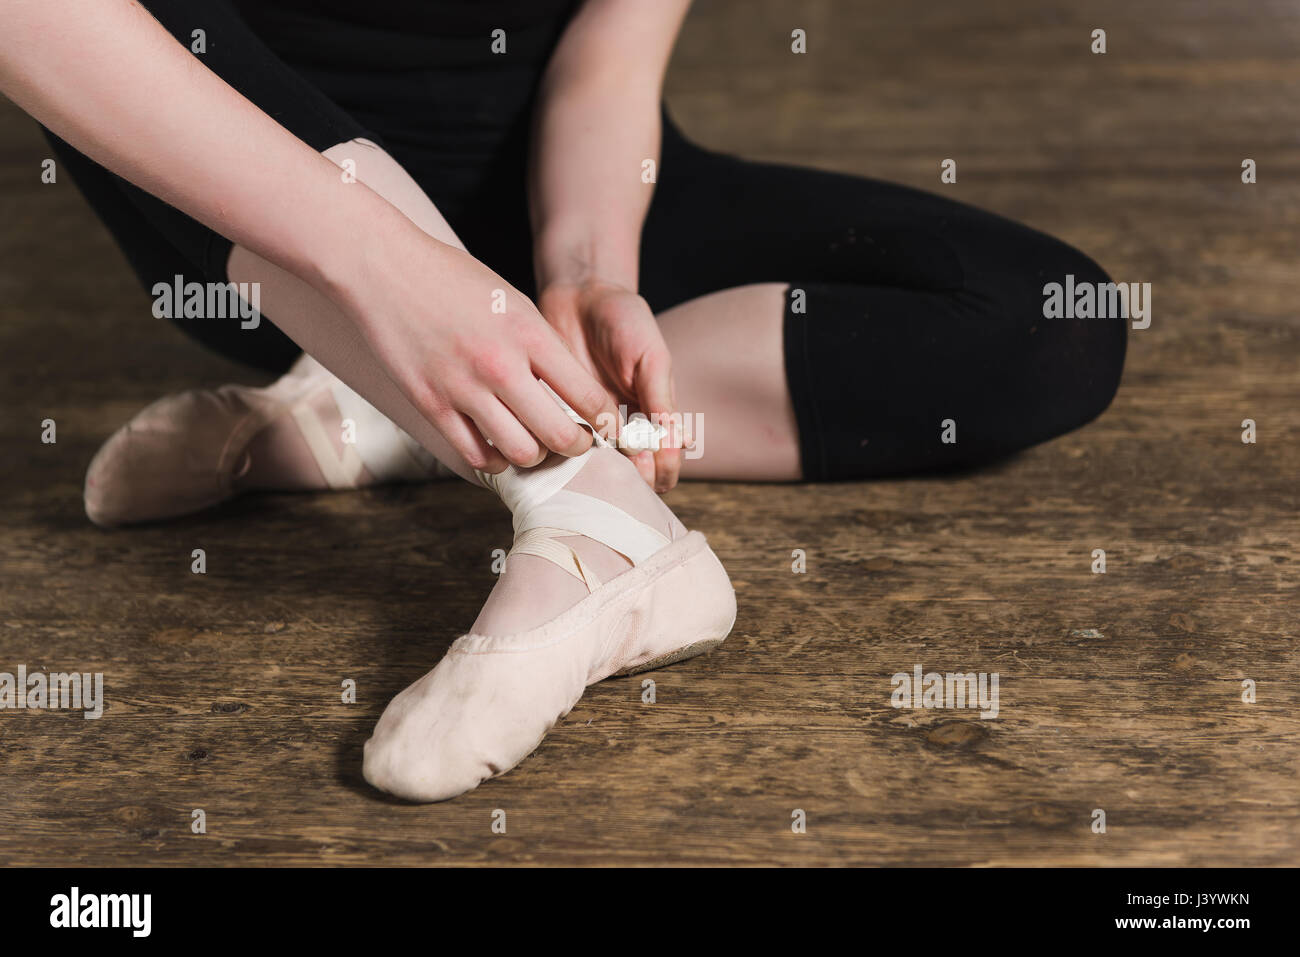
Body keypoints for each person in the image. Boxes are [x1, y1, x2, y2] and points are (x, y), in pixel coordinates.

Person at [0, 0, 1126, 801]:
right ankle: (599, 519)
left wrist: (588, 271)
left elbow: (611, 54)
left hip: (541, 190)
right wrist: (380, 268)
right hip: (262, 224)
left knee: (1041, 321)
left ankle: (406, 418)